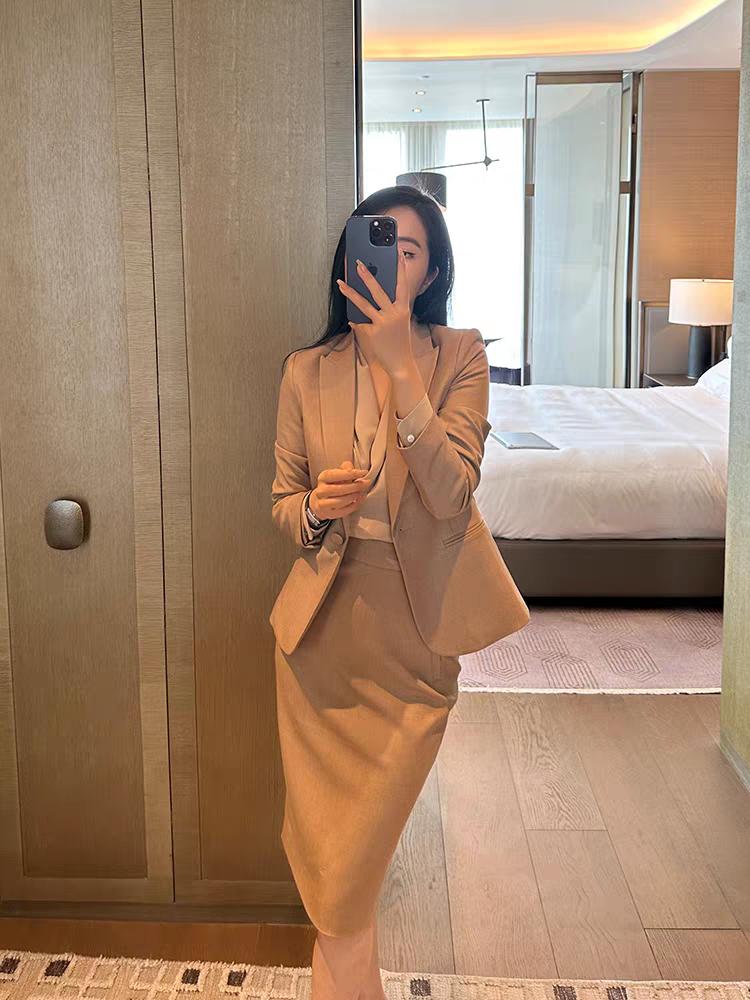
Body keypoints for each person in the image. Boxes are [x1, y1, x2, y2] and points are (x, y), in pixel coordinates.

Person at [270, 184, 530, 1000]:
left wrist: (397, 367)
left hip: (414, 639)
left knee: (349, 876)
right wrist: (317, 508)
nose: (389, 262)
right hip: (320, 642)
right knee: (339, 883)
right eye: (376, 245)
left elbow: (452, 494)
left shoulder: (462, 358)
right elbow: (282, 504)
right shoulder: (305, 370)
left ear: (431, 271)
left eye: (408, 249)